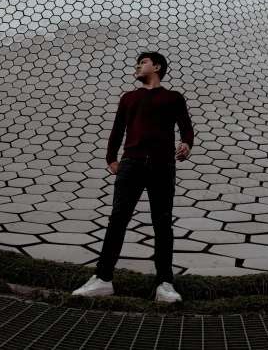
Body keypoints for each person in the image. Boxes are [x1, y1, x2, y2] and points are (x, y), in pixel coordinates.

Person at [72, 52, 194, 302]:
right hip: (131, 163)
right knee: (118, 220)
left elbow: (186, 127)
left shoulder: (173, 97)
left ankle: (164, 284)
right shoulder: (129, 98)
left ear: (157, 67)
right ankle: (103, 279)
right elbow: (117, 130)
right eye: (137, 64)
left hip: (162, 165)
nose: (138, 66)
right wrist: (111, 160)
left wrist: (186, 144)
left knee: (162, 224)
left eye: (143, 63)